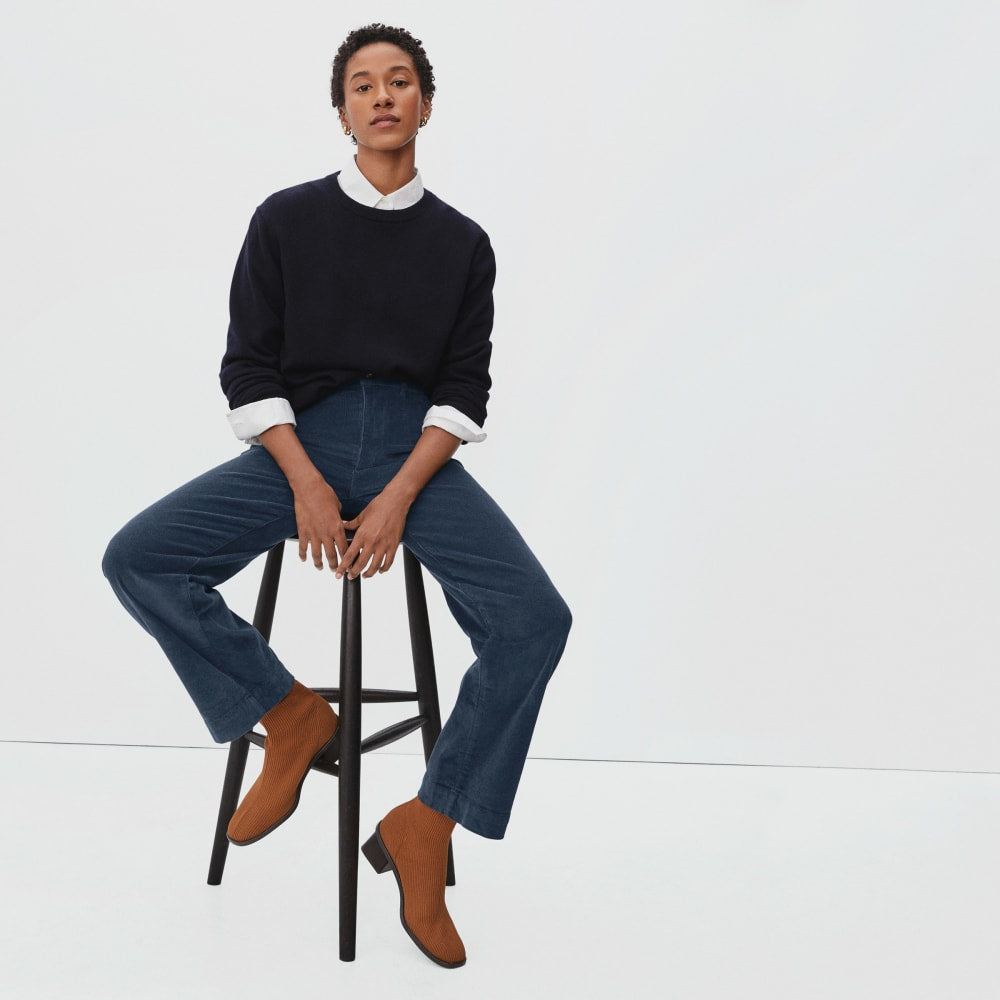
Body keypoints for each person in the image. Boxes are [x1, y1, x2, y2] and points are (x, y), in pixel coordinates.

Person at [102, 22, 571, 969]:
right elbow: (248, 366)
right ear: (342, 111)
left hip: (412, 451)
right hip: (300, 443)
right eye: (363, 84)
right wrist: (306, 482)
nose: (383, 96)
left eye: (400, 81)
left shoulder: (462, 244)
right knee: (140, 558)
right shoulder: (286, 220)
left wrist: (397, 496)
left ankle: (426, 823)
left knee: (535, 620)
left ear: (426, 104)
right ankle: (291, 714)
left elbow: (463, 390)